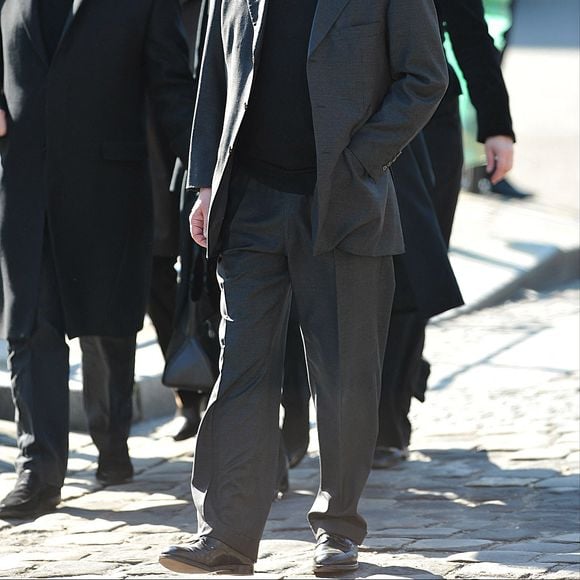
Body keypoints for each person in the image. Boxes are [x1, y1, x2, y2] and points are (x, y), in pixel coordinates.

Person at [158, 0, 448, 575]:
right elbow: (214, 78)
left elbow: (425, 77)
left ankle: (338, 530)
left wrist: (364, 158)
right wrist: (205, 185)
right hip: (248, 206)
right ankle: (225, 537)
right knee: (241, 371)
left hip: (344, 205)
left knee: (343, 376)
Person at [0, 0, 194, 518]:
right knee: (31, 323)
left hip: (107, 188)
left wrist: (203, 177)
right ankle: (38, 468)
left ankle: (112, 442)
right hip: (25, 186)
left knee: (107, 326)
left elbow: (173, 85)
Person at [373, 0, 517, 468]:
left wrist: (497, 126)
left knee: (414, 270)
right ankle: (384, 392)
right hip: (347, 120)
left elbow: (471, 33)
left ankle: (388, 420)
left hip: (430, 124)